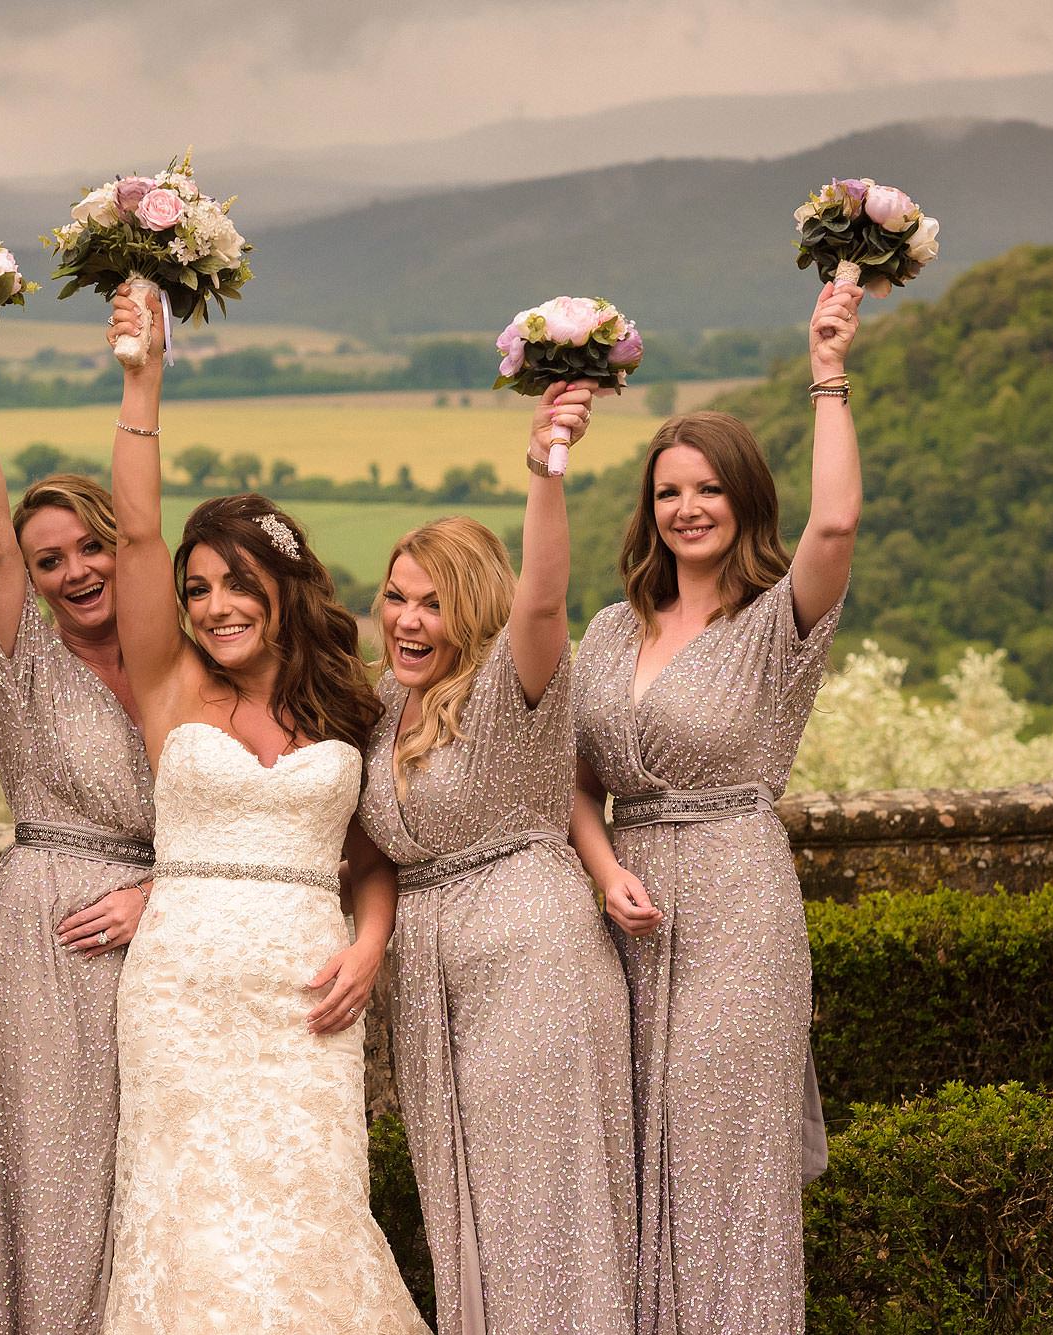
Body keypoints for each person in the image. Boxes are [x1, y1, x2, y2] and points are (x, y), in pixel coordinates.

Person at [97, 293, 429, 1334]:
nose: (214, 607)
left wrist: (369, 947)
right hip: (180, 995)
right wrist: (142, 376)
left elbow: (372, 860)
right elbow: (136, 532)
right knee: (189, 1224)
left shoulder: (348, 704)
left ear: (283, 585)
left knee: (308, 1215)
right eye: (197, 589)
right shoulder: (169, 684)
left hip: (305, 996)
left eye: (236, 583)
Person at [569, 281, 863, 1334]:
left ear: (744, 500)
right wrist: (605, 870)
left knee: (721, 1161)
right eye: (666, 492)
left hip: (737, 912)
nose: (685, 507)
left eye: (706, 489)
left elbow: (838, 519)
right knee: (634, 1163)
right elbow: (573, 778)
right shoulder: (611, 628)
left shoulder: (778, 621)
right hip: (626, 921)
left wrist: (827, 372)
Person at [354, 386, 635, 1335]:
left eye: (434, 603)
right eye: (397, 596)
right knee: (467, 1216)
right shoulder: (379, 706)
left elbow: (544, 595)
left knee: (544, 1209)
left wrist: (544, 467)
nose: (408, 619)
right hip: (431, 988)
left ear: (474, 608)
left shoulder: (513, 685)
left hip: (531, 968)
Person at [0, 329, 156, 1335]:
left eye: (91, 547)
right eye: (49, 560)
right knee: (46, 1173)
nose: (74, 571)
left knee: (147, 1176)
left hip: (168, 941)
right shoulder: (19, 655)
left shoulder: (182, 660)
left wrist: (157, 897)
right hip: (47, 942)